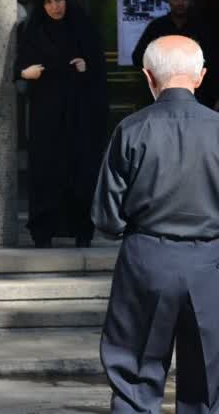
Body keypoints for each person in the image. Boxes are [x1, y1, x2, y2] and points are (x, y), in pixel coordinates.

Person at [93, 35, 219, 413]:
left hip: (146, 259)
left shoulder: (131, 129)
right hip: (211, 263)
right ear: (200, 77)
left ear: (148, 76)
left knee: (134, 379)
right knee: (208, 386)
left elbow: (106, 216)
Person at [15, 0, 108, 248]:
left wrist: (86, 66)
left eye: (59, 0)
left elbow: (98, 68)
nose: (55, 7)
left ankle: (82, 229)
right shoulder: (33, 31)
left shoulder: (83, 28)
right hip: (46, 115)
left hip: (79, 115)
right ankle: (43, 230)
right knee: (46, 170)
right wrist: (25, 73)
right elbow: (19, 65)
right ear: (42, 6)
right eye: (48, 2)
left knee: (79, 170)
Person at [131, 0, 217, 108]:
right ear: (169, 1)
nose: (180, 3)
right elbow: (138, 57)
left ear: (191, 2)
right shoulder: (157, 27)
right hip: (161, 96)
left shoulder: (202, 28)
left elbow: (214, 62)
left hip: (198, 95)